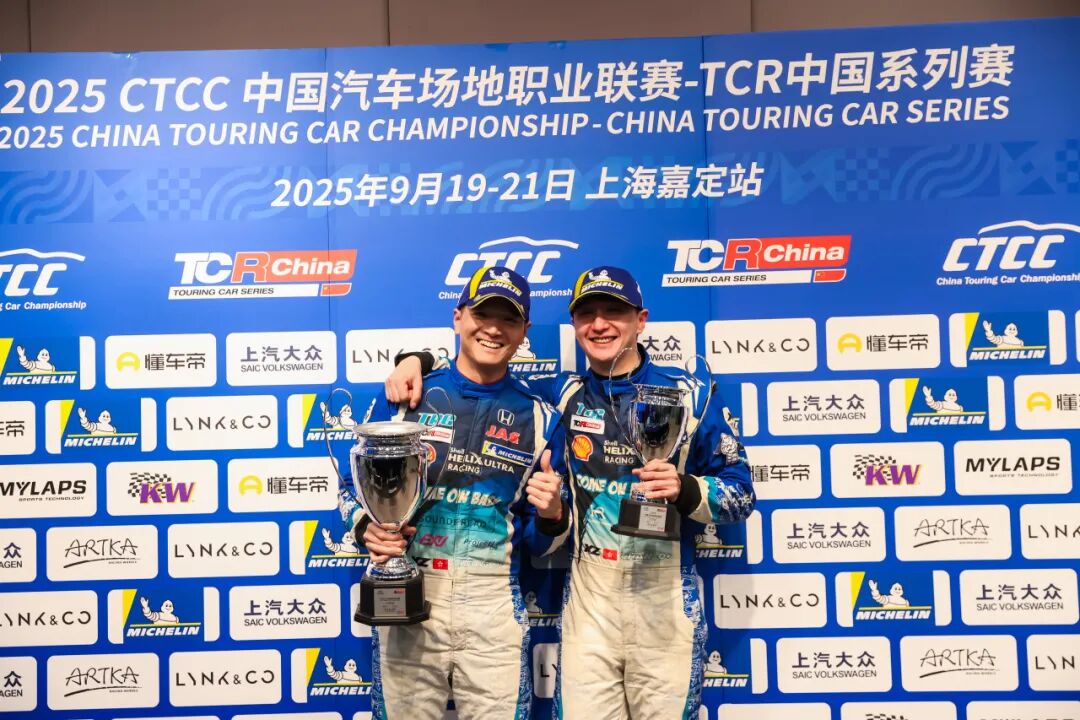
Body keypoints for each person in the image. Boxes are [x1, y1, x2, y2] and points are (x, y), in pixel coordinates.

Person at [387, 265, 756, 720]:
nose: (599, 324)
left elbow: (741, 494)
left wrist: (686, 488)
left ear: (641, 320)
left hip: (665, 601)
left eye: (613, 312)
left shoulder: (690, 395)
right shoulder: (558, 397)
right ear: (575, 324)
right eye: (587, 313)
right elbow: (486, 376)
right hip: (590, 605)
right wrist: (416, 360)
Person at [341, 265, 570, 720]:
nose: (494, 329)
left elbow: (541, 541)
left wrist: (553, 517)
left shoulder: (541, 417)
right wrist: (366, 525)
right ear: (458, 316)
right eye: (483, 314)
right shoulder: (406, 396)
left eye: (508, 319)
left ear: (524, 330)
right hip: (409, 590)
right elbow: (353, 486)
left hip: (493, 602)